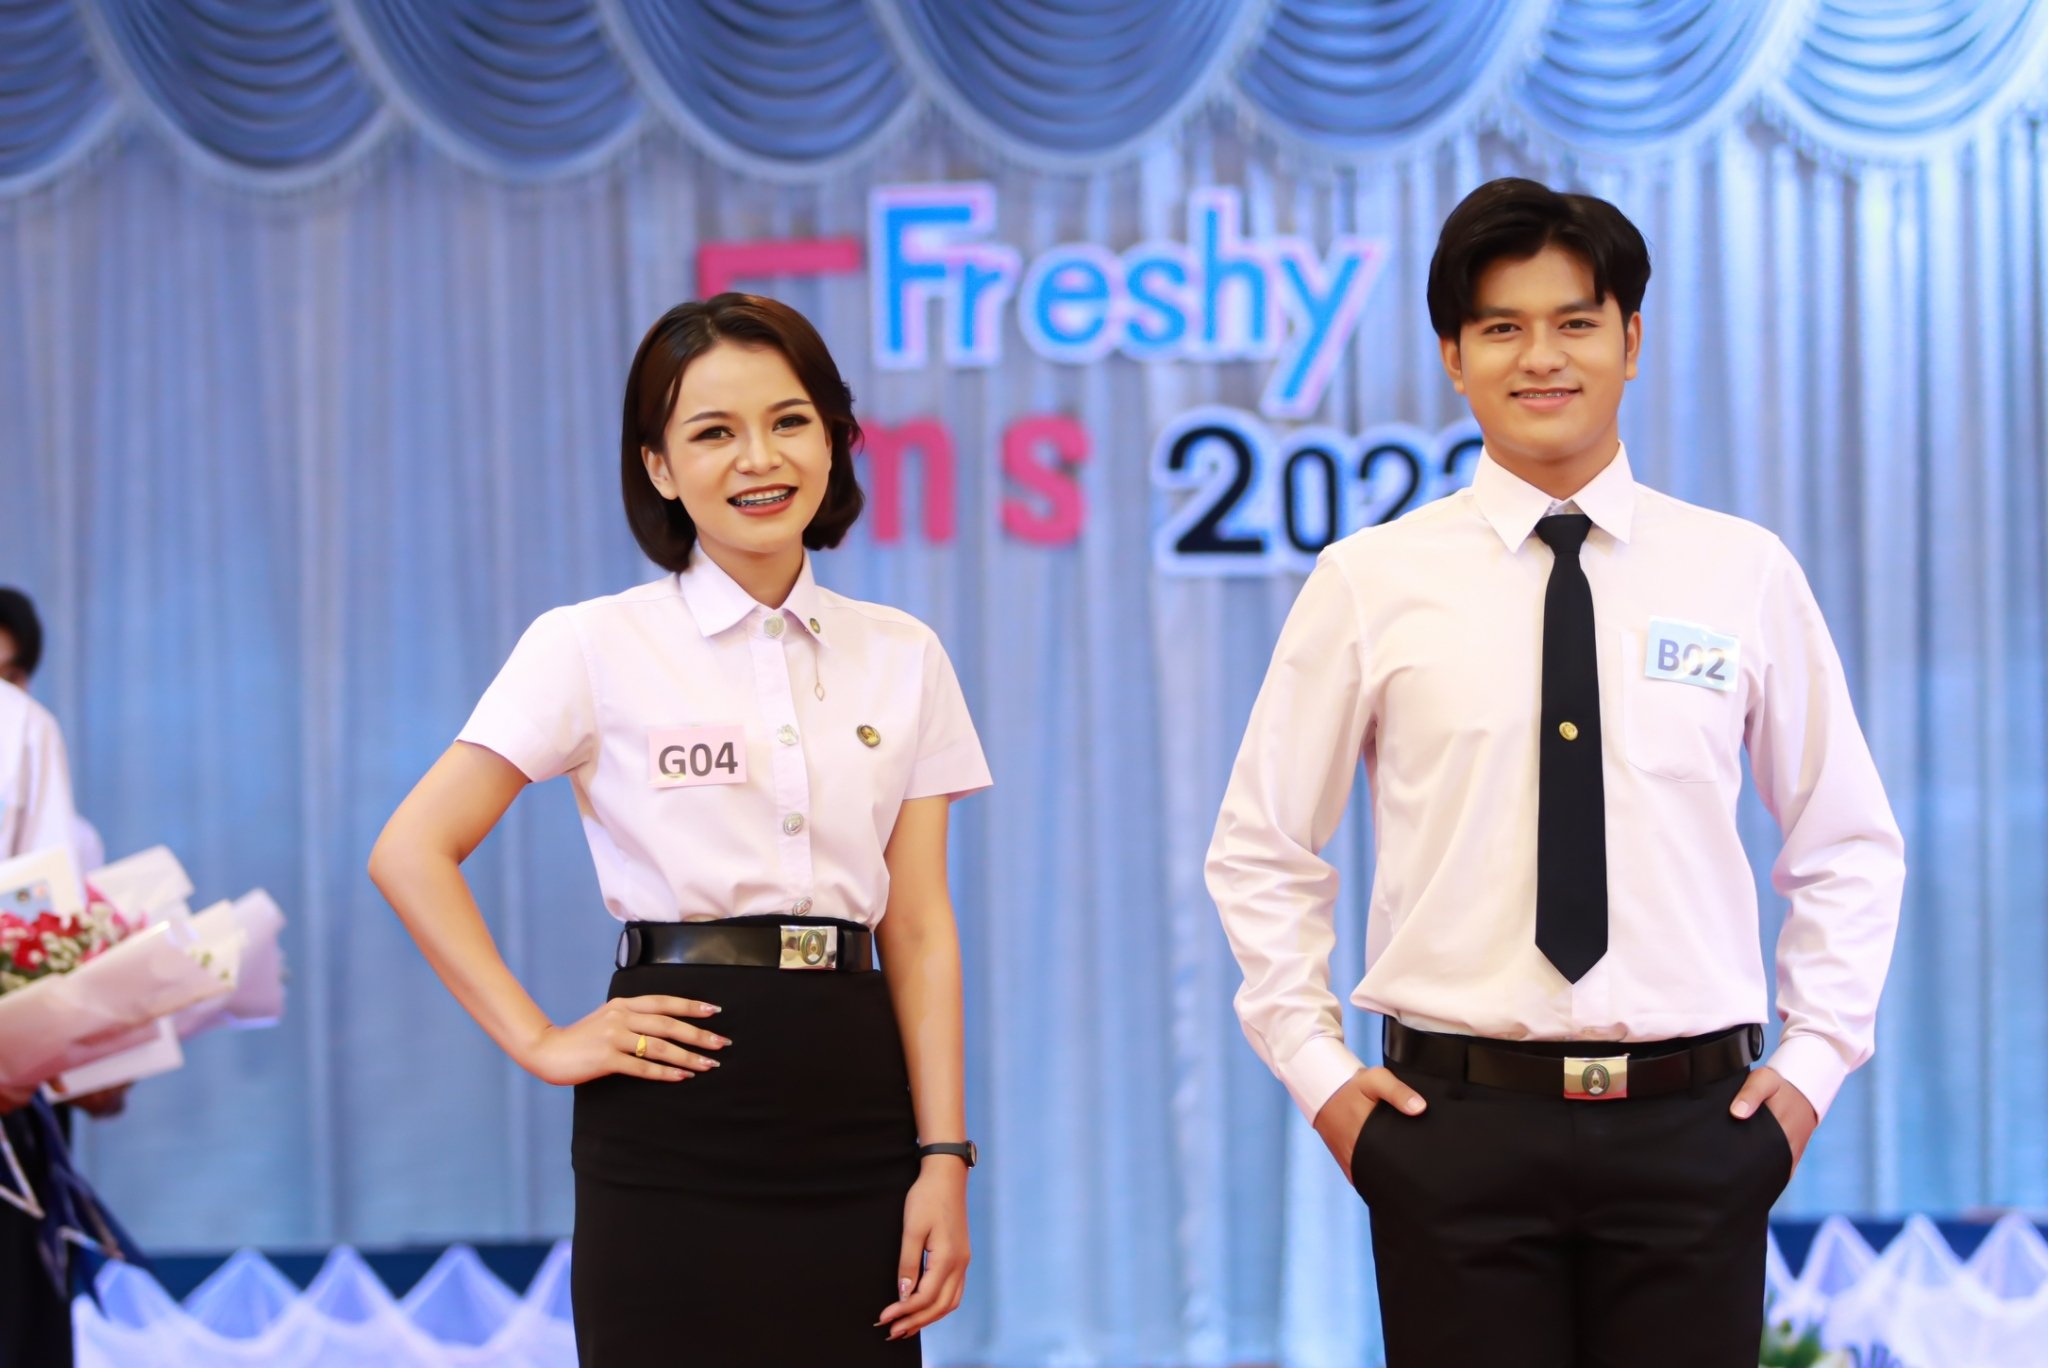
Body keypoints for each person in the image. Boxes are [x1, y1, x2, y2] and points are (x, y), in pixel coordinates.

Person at [1206, 178, 1905, 1367]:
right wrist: (1318, 1074)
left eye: (1574, 322)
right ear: (1452, 356)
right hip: (1453, 1136)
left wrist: (1809, 1068)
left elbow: (1845, 842)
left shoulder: (1739, 571)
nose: (1540, 357)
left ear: (1630, 340)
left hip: (1694, 1133)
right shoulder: (1370, 580)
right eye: (1501, 327)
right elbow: (1260, 848)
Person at [370, 293, 990, 1365]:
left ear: (834, 439)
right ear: (658, 466)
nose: (759, 458)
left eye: (789, 421)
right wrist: (539, 1040)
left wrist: (944, 1156)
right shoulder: (590, 643)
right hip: (669, 1108)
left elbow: (921, 926)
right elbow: (410, 851)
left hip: (855, 1101)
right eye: (712, 432)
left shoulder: (904, 653)